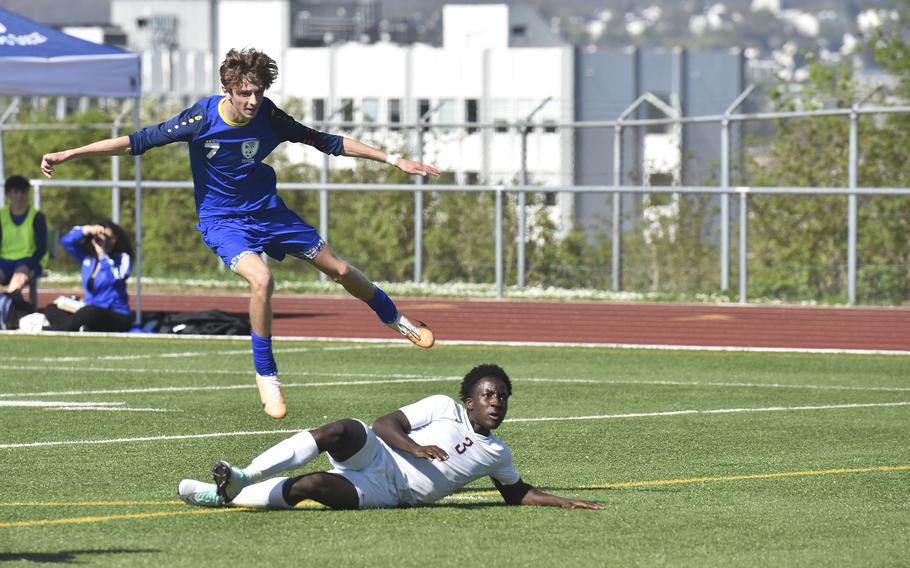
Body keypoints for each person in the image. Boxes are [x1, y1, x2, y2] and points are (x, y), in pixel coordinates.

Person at [40, 47, 441, 420]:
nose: (252, 101)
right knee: (261, 279)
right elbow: (135, 141)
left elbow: (328, 142)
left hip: (270, 213)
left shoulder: (269, 115)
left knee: (338, 269)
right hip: (223, 222)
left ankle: (396, 319)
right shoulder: (200, 118)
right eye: (245, 93)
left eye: (258, 92)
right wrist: (70, 153)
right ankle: (267, 376)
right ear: (227, 90)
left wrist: (393, 158)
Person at [178, 364, 603, 511]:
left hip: (386, 490)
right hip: (378, 452)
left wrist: (563, 501)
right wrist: (416, 448)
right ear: (469, 401)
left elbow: (516, 492)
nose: (497, 402)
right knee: (341, 428)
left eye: (502, 397)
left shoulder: (498, 453)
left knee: (313, 486)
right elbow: (384, 424)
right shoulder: (442, 406)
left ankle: (225, 495)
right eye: (488, 395)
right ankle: (244, 474)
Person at [1, 221, 133, 332]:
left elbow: (115, 279)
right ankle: (82, 328)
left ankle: (51, 330)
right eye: (103, 237)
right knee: (52, 308)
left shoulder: (122, 259)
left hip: (116, 315)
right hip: (88, 311)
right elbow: (66, 241)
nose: (106, 241)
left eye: (111, 238)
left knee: (90, 312)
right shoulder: (90, 260)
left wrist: (103, 255)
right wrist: (86, 230)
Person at [0, 175, 48, 296]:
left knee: (19, 278)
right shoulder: (2, 215)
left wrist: (32, 267)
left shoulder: (37, 217)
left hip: (28, 260)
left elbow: (41, 248)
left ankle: (7, 304)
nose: (20, 196)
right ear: (8, 194)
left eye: (23, 192)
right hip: (3, 261)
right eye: (16, 192)